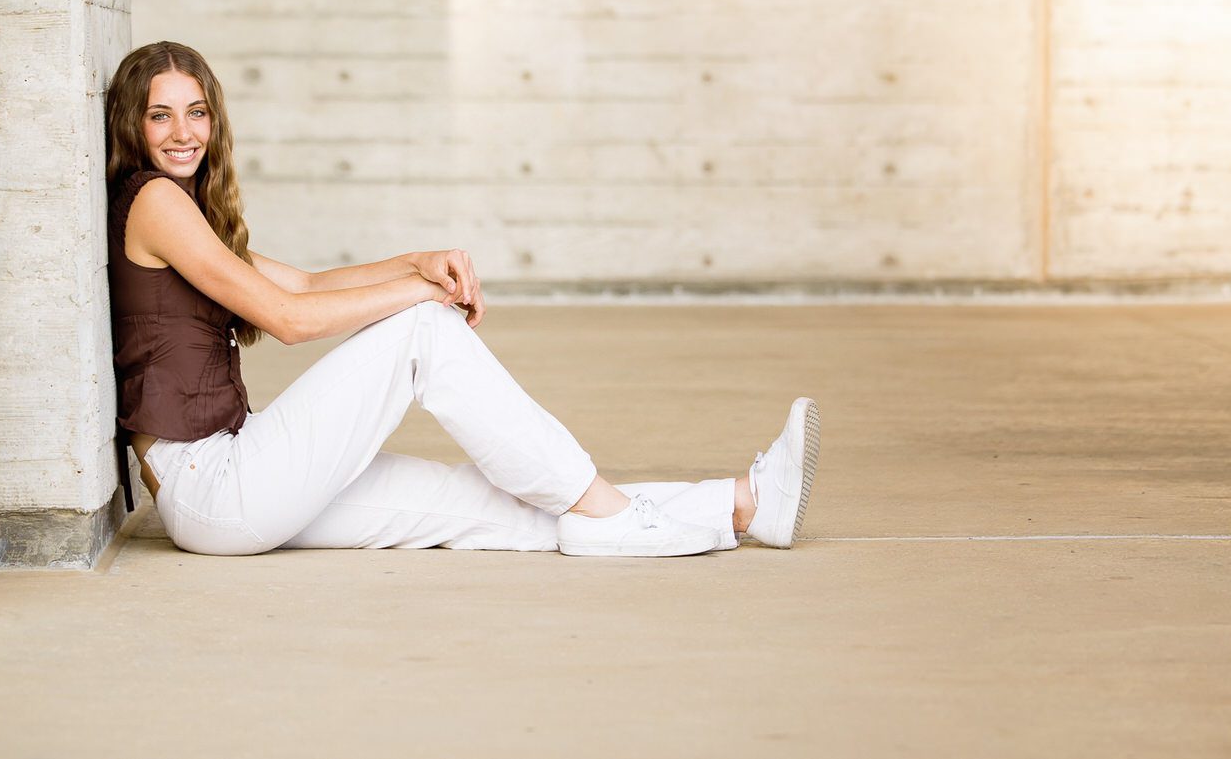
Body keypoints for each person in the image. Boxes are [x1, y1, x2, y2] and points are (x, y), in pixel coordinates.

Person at [105, 41, 820, 558]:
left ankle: (743, 503)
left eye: (196, 112)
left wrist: (416, 260)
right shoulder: (154, 200)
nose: (183, 132)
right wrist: (422, 291)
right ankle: (608, 508)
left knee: (491, 504)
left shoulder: (190, 219)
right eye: (161, 115)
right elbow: (289, 320)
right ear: (132, 126)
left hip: (241, 475)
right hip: (216, 486)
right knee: (422, 331)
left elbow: (306, 284)